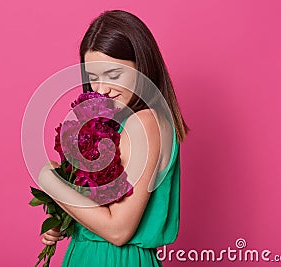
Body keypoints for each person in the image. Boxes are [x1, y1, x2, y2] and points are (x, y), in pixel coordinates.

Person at [38, 9, 189, 266]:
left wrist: (50, 182)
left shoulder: (144, 122)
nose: (101, 89)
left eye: (114, 75)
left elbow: (119, 230)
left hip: (114, 259)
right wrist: (66, 221)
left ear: (143, 66)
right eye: (93, 77)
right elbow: (102, 213)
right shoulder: (122, 124)